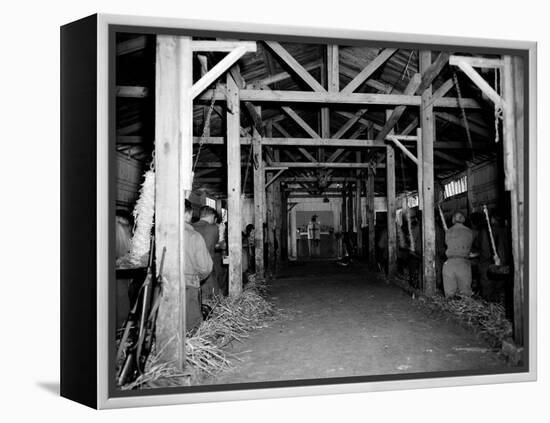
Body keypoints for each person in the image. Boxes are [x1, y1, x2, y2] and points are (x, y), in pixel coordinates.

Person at [184, 200, 213, 331]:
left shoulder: (158, 236)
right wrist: (197, 278)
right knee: (191, 327)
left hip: (162, 288)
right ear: (188, 214)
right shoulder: (194, 236)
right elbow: (205, 268)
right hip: (188, 285)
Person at [442, 211, 474, 297]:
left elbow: (446, 244)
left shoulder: (448, 232)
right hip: (464, 264)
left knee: (449, 294)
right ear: (463, 219)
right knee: (465, 293)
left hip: (450, 264)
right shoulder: (470, 232)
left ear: (453, 220)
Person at [193, 206, 220, 300]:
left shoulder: (191, 227)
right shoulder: (213, 228)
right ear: (212, 216)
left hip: (192, 267)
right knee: (212, 295)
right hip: (208, 266)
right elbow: (217, 243)